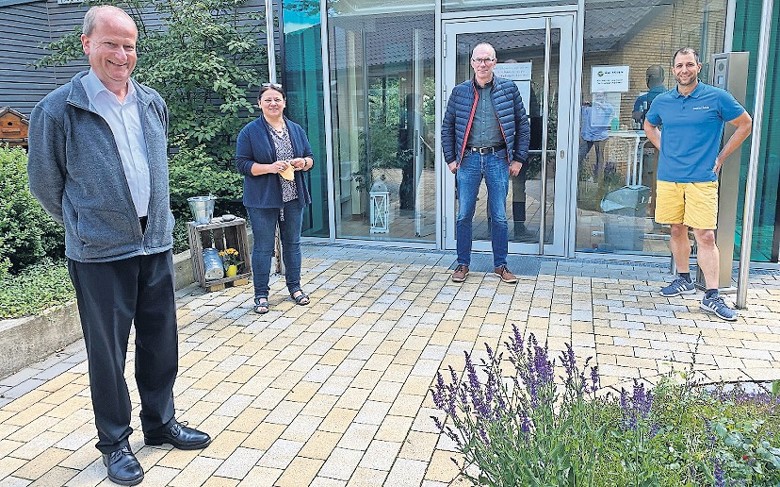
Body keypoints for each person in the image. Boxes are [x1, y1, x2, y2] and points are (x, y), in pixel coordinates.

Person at [27, 5, 211, 486]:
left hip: (154, 243)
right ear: (86, 44)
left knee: (161, 342)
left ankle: (160, 423)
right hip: (98, 253)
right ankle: (114, 442)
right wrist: (87, 221)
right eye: (110, 43)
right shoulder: (57, 109)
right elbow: (46, 184)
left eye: (128, 44)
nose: (121, 54)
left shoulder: (151, 102)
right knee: (107, 354)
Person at [644, 47, 752, 321]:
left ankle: (712, 296)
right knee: (677, 229)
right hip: (669, 178)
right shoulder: (664, 101)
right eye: (679, 65)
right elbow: (649, 125)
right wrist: (664, 149)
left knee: (705, 235)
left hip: (702, 179)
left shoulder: (716, 98)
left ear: (699, 67)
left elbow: (745, 124)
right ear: (673, 70)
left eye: (689, 65)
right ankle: (683, 278)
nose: (684, 70)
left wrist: (721, 157)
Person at [441, 42, 530, 284]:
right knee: (464, 214)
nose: (483, 64)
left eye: (487, 59)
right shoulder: (460, 92)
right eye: (478, 60)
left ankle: (501, 265)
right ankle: (462, 264)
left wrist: (519, 158)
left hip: (498, 159)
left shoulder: (509, 90)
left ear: (495, 62)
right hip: (468, 159)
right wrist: (450, 159)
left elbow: (523, 125)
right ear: (472, 63)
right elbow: (447, 126)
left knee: (499, 216)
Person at [236, 83, 314, 314]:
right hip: (262, 199)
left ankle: (295, 288)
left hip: (292, 197)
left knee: (293, 244)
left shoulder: (296, 130)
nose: (273, 104)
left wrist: (303, 163)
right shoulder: (249, 132)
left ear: (284, 103)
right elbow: (243, 164)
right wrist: (269, 167)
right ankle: (261, 295)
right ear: (259, 104)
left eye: (277, 99)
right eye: (268, 100)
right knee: (263, 247)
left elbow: (310, 158)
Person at [578, 93, 613, 179]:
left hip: (600, 136)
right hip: (588, 135)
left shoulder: (608, 106)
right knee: (579, 156)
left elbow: (609, 111)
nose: (598, 98)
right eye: (597, 96)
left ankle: (598, 180)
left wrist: (596, 104)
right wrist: (582, 105)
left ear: (605, 97)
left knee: (600, 158)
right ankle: (577, 177)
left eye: (601, 96)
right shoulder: (589, 108)